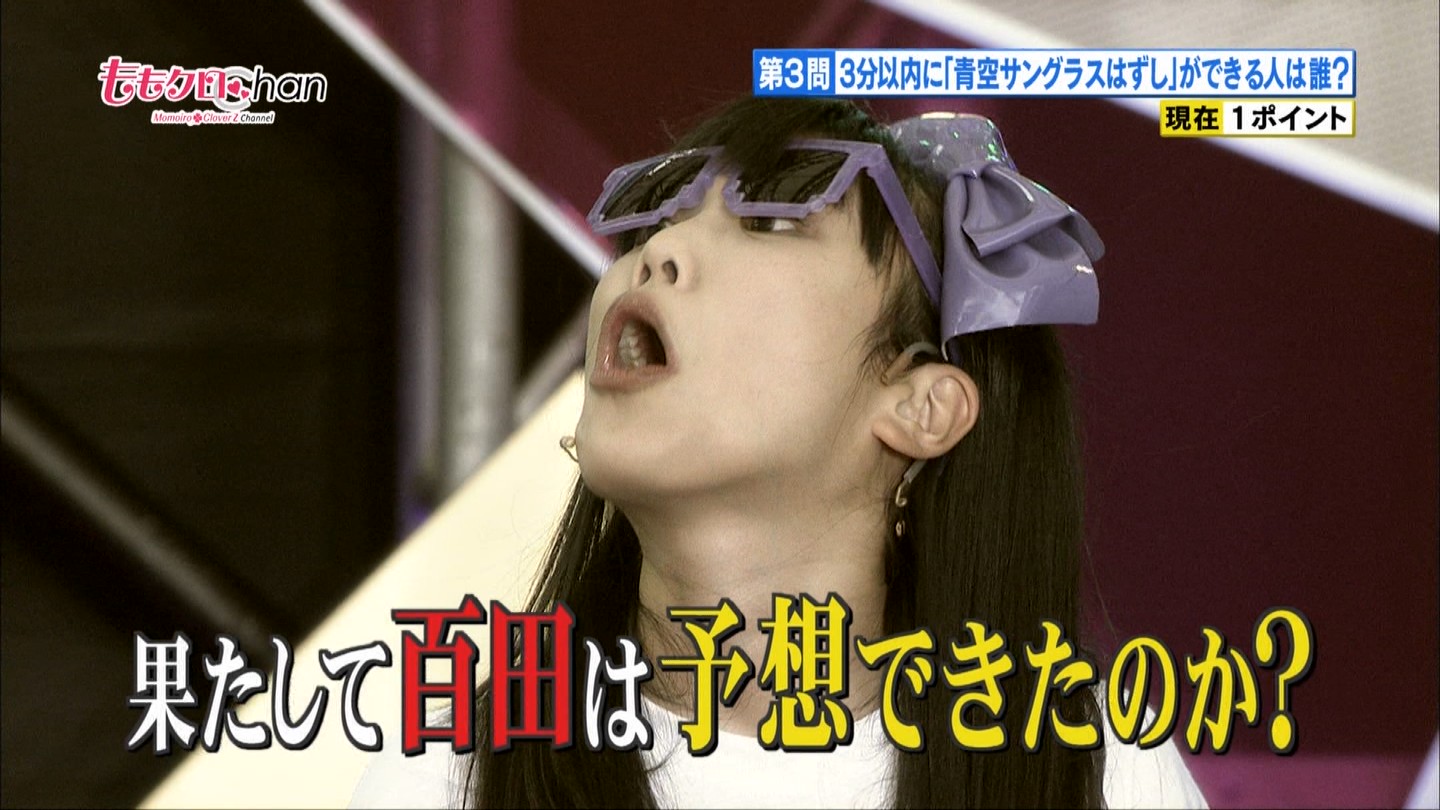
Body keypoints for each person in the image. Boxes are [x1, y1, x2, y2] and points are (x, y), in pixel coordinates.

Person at [350, 97, 1208, 809]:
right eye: (657, 221)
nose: (658, 254)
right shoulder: (450, 774)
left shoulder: (1099, 768)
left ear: (923, 407)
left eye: (768, 220)